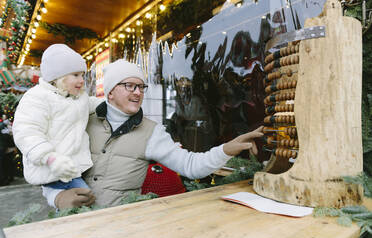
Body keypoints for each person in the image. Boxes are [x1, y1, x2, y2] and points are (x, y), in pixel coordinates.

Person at [42, 59, 264, 209]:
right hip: (74, 227)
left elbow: (190, 165)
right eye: (130, 86)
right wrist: (57, 197)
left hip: (122, 230)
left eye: (141, 87)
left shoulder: (152, 132)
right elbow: (46, 163)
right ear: (110, 92)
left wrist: (226, 149)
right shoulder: (80, 121)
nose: (138, 93)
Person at [12, 44, 101, 192]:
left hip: (72, 170)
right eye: (75, 75)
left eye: (82, 75)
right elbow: (27, 132)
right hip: (52, 171)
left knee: (79, 209)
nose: (81, 80)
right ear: (59, 77)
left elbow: (90, 105)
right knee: (84, 203)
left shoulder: (77, 97)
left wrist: (113, 103)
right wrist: (50, 158)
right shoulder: (37, 97)